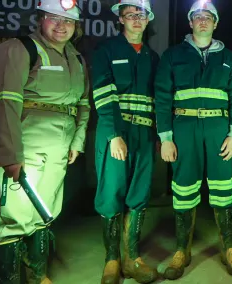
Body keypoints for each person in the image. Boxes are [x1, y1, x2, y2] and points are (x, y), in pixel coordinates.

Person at [0, 0, 89, 283]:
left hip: (59, 149)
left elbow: (83, 105)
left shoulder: (76, 58)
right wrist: (11, 155)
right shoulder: (19, 49)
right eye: (54, 18)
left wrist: (77, 142)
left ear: (76, 26)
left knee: (45, 212)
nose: (61, 25)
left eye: (68, 21)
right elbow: (4, 105)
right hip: (23, 148)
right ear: (40, 19)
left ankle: (38, 275)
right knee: (13, 220)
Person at [154, 0, 232, 279]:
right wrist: (166, 138)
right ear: (190, 22)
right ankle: (182, 250)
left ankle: (229, 248)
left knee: (223, 188)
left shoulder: (229, 57)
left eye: (208, 17)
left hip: (219, 129)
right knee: (183, 190)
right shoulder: (173, 55)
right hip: (184, 128)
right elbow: (162, 96)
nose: (203, 21)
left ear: (216, 23)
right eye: (197, 16)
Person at [90, 0, 160, 283]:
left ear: (147, 20)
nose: (135, 19)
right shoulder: (106, 51)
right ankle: (112, 260)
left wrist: (157, 136)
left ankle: (132, 258)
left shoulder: (153, 57)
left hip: (144, 134)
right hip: (116, 132)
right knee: (111, 194)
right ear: (120, 20)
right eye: (129, 15)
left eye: (140, 14)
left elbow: (159, 99)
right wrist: (113, 135)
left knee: (139, 194)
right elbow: (103, 95)